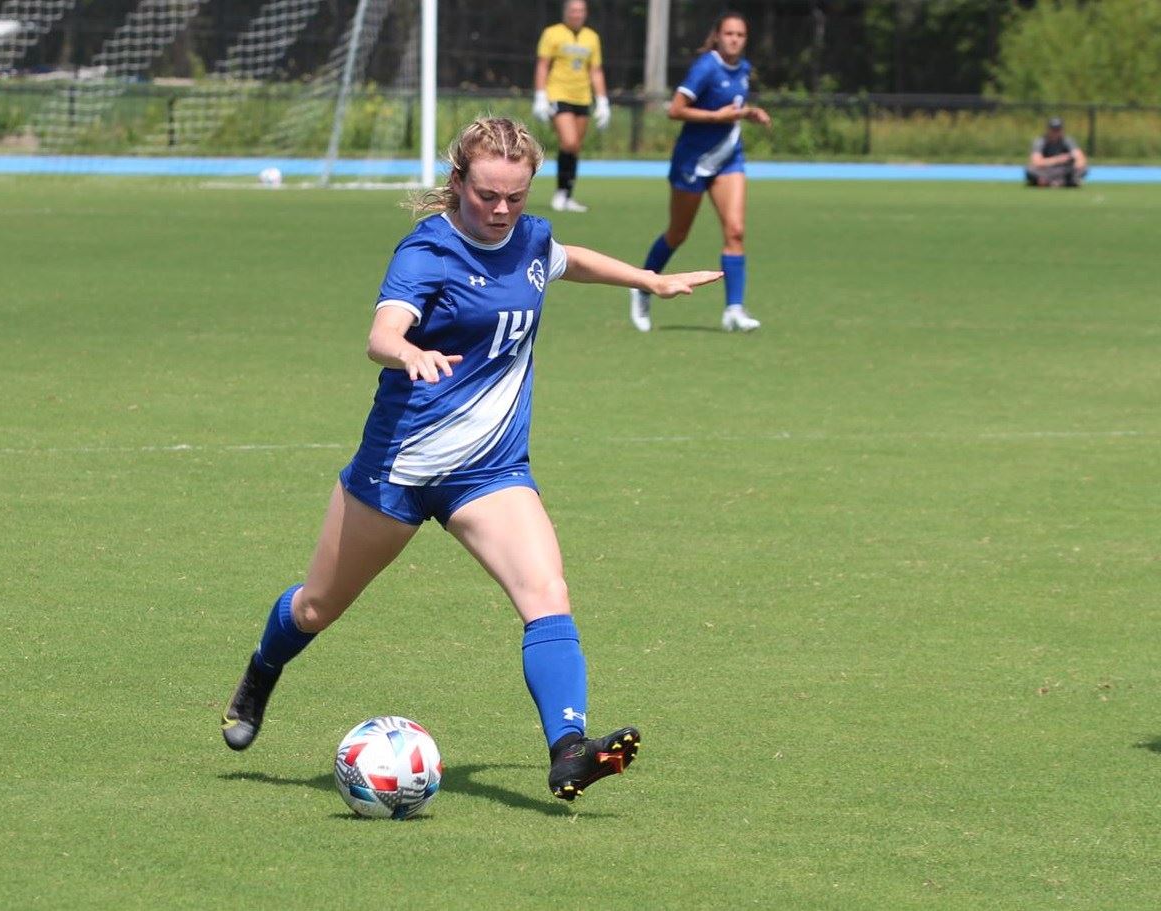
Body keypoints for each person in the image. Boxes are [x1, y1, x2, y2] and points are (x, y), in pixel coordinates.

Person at [219, 117, 722, 800]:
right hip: (397, 470)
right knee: (316, 607)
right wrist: (409, 351)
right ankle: (260, 671)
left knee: (546, 594)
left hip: (489, 471)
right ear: (458, 182)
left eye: (516, 196)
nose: (501, 210)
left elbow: (565, 259)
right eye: (487, 195)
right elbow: (381, 332)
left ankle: (569, 747)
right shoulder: (428, 252)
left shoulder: (531, 238)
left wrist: (647, 280)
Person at [628, 11, 770, 334]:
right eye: (729, 33)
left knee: (735, 231)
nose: (734, 39)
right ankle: (641, 285)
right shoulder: (706, 67)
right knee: (677, 234)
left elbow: (732, 108)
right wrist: (715, 117)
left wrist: (749, 113)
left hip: (728, 159)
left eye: (740, 35)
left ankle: (734, 309)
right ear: (717, 36)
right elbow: (675, 109)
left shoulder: (744, 69)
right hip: (692, 163)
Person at [532, 0, 609, 213]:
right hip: (559, 94)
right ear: (566, 12)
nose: (577, 14)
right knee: (569, 141)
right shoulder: (552, 33)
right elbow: (542, 65)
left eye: (581, 10)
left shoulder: (591, 37)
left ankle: (567, 194)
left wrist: (602, 101)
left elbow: (596, 70)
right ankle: (559, 193)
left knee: (575, 148)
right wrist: (540, 95)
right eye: (574, 10)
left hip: (583, 97)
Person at [1024, 117, 1088, 188]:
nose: (1055, 132)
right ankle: (1062, 182)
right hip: (1046, 170)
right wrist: (1058, 159)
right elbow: (1036, 162)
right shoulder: (1040, 141)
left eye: (1058, 129)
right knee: (1030, 170)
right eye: (1053, 129)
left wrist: (1077, 163)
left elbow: (1080, 158)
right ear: (1048, 129)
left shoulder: (1067, 140)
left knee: (1082, 169)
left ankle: (1050, 182)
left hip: (1064, 169)